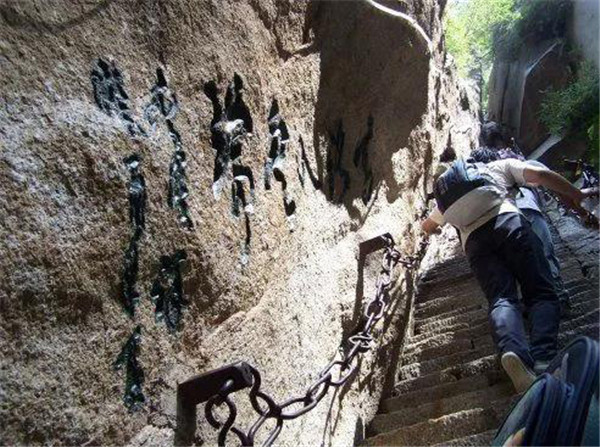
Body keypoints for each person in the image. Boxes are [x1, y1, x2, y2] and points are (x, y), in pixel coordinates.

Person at [421, 157, 597, 393]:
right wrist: (576, 193)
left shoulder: (448, 194)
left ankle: (513, 351)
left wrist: (436, 229)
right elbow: (540, 175)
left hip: (474, 244)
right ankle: (543, 357)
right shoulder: (496, 167)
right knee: (540, 292)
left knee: (501, 298)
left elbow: (427, 226)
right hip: (509, 222)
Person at [468, 148, 571, 315]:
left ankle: (530, 304)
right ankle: (558, 297)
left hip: (497, 220)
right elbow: (552, 183)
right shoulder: (520, 165)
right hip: (527, 210)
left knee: (514, 263)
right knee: (545, 253)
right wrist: (578, 201)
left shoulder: (474, 180)